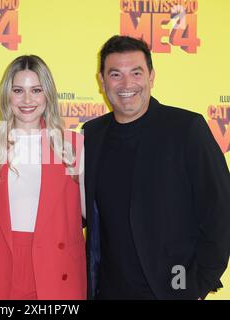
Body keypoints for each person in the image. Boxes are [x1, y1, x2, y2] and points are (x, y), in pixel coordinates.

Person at [83, 35, 230, 300]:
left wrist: (194, 286)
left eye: (136, 73)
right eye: (115, 74)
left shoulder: (186, 129)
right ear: (102, 81)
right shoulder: (90, 135)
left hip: (171, 292)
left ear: (151, 76)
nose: (127, 84)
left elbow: (220, 212)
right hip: (107, 293)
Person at [0, 55, 86, 299]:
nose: (27, 100)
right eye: (18, 90)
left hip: (56, 267)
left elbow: (89, 209)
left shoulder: (73, 146)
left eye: (36, 90)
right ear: (7, 94)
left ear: (48, 94)